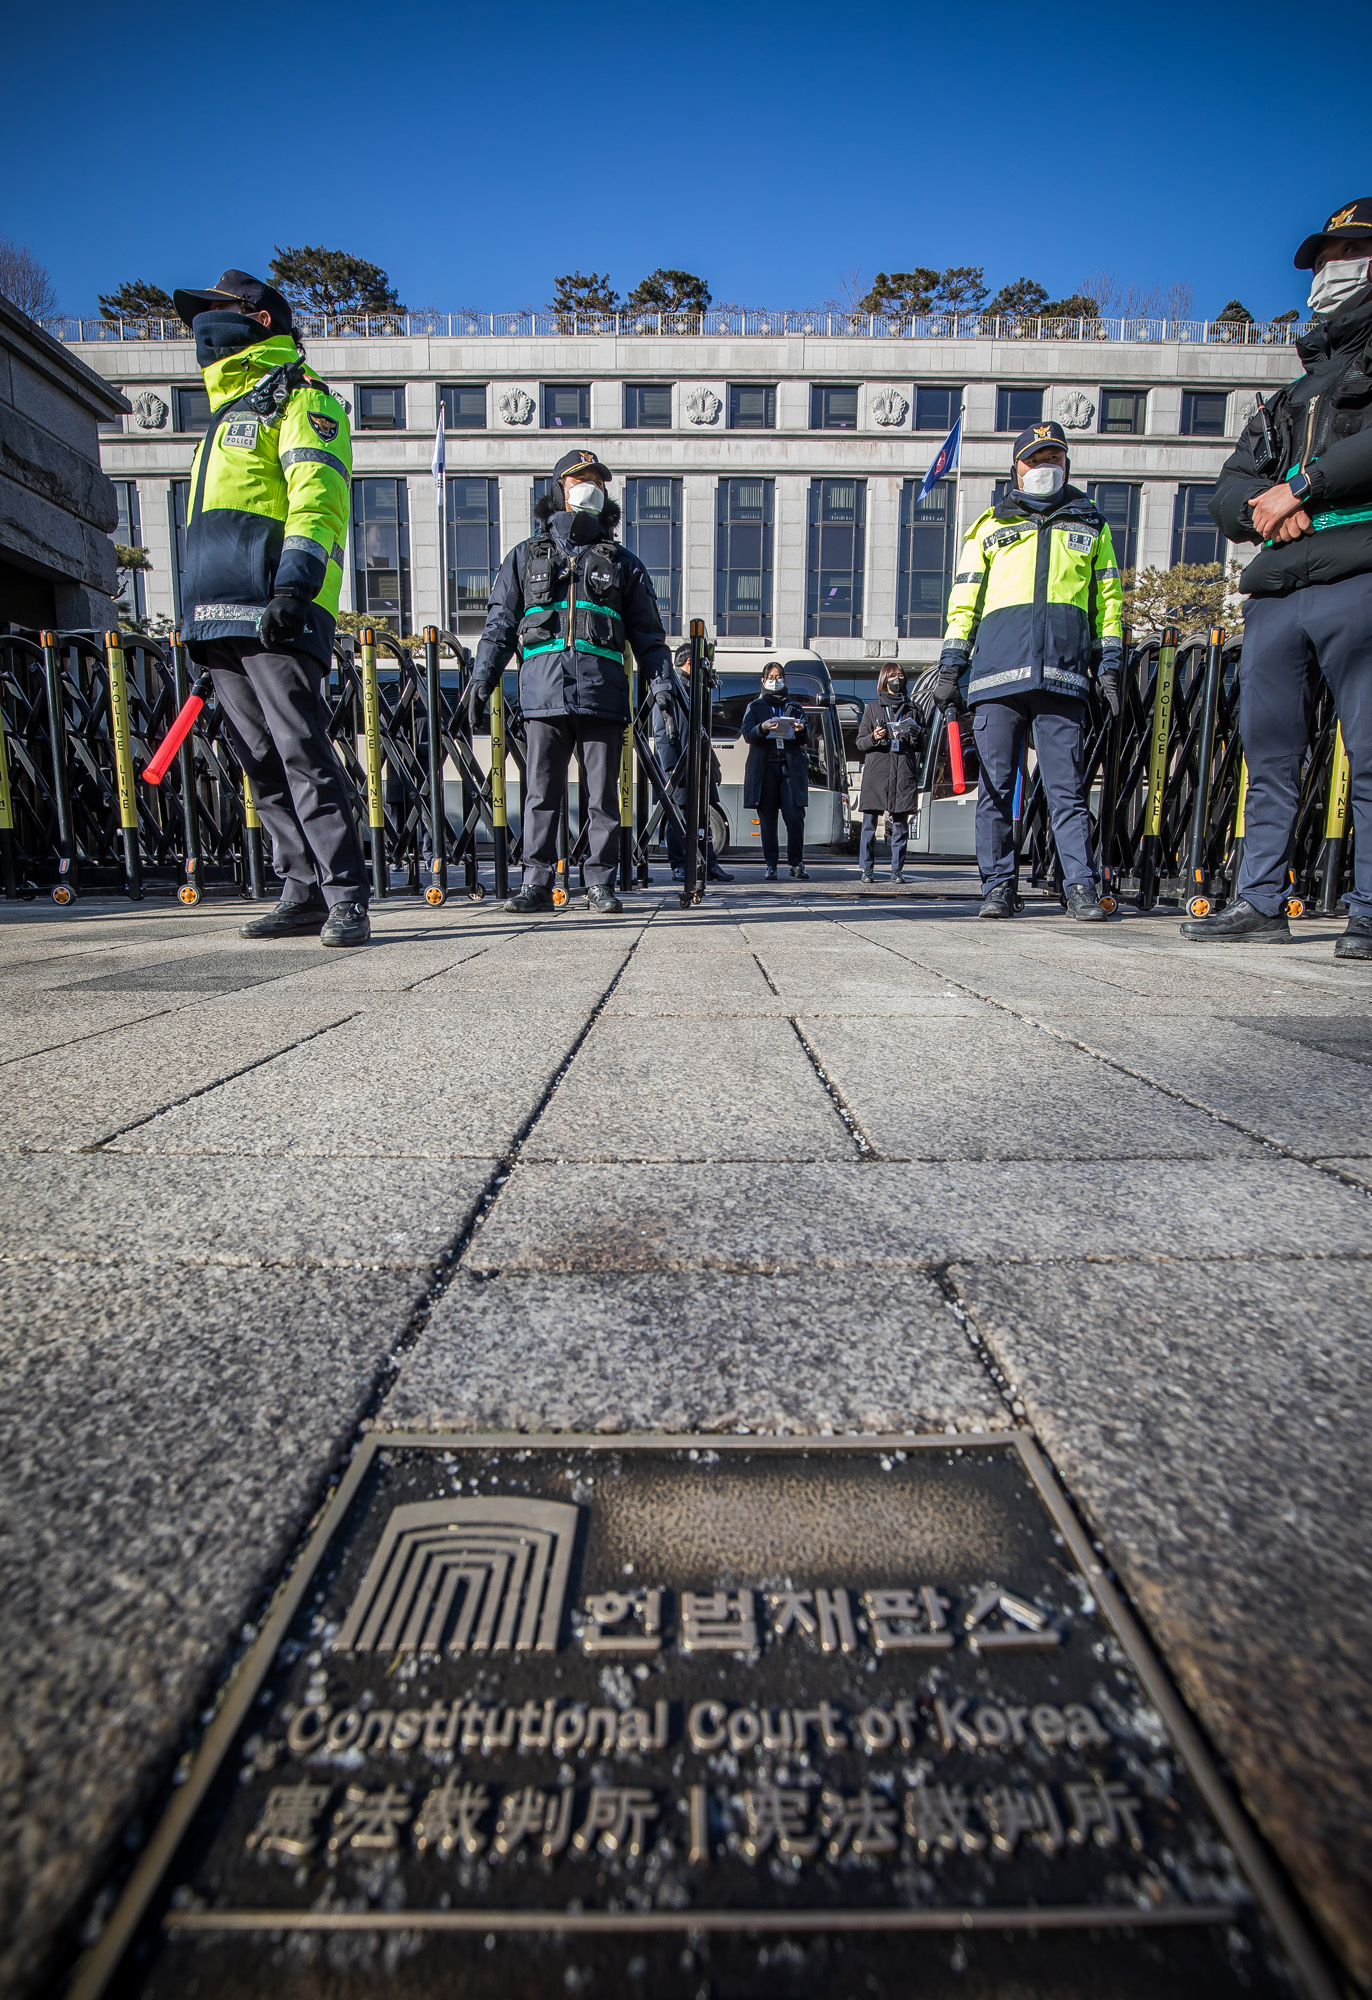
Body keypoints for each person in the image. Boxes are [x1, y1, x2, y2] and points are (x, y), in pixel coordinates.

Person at [1182, 196, 1372, 960]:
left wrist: (1307, 485)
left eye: (1347, 256)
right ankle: (1261, 898)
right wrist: (1269, 507)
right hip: (1279, 591)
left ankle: (1368, 910)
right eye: (1323, 261)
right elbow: (1231, 491)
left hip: (1358, 570)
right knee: (1269, 753)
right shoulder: (1292, 394)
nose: (1331, 273)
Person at [170, 268, 368, 946]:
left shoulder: (299, 399)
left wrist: (294, 587)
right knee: (258, 759)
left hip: (275, 607)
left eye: (215, 313)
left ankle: (345, 894)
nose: (200, 328)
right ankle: (301, 888)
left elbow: (319, 497)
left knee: (301, 749)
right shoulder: (224, 414)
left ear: (259, 319)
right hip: (217, 615)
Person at [934, 420, 1123, 921]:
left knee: (1068, 791)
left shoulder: (1091, 525)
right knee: (995, 790)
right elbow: (964, 602)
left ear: (1067, 465)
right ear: (1015, 468)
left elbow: (1108, 602)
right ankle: (998, 887)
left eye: (1053, 459)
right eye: (1034, 460)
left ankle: (1080, 886)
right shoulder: (990, 526)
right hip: (996, 679)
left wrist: (1110, 668)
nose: (1045, 468)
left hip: (1063, 677)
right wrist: (951, 665)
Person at [469, 448, 671, 913]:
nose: (591, 487)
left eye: (598, 480)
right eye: (581, 478)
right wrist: (483, 678)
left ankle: (599, 882)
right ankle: (536, 884)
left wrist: (661, 687)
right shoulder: (524, 556)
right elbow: (500, 624)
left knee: (603, 796)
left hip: (602, 694)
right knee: (541, 794)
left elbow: (649, 636)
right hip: (543, 694)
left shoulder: (624, 562)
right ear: (559, 488)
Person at [652, 642, 732, 882]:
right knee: (679, 816)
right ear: (690, 663)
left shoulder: (695, 690)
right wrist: (671, 768)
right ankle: (678, 864)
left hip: (696, 763)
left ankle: (708, 863)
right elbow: (661, 732)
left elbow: (702, 732)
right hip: (679, 765)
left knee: (700, 818)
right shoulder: (671, 688)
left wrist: (713, 765)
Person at [854, 663, 923, 882]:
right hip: (877, 773)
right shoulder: (872, 709)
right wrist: (875, 736)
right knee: (869, 824)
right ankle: (867, 869)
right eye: (893, 676)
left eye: (901, 676)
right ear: (884, 680)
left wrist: (914, 732)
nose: (897, 680)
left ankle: (897, 870)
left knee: (900, 825)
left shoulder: (913, 708)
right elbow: (861, 742)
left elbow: (921, 743)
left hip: (903, 772)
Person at [742, 662, 810, 879]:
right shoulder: (755, 706)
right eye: (771, 677)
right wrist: (762, 728)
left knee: (794, 818)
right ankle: (771, 865)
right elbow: (747, 734)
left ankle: (796, 863)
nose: (775, 680)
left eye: (778, 676)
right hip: (765, 770)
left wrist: (800, 729)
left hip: (789, 769)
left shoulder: (794, 706)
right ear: (763, 681)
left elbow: (807, 735)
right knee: (768, 821)